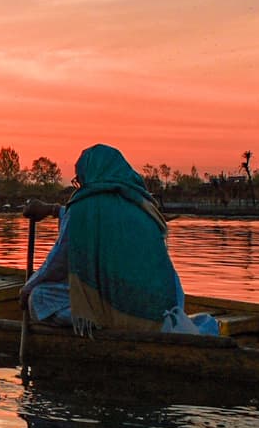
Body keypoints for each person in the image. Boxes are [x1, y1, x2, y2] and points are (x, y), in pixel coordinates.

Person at [20, 143, 217, 336]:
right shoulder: (143, 204)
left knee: (39, 298)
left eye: (80, 179)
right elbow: (103, 219)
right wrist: (53, 210)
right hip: (164, 307)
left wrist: (27, 288)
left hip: (118, 307)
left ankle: (102, 322)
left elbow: (58, 263)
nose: (79, 184)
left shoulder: (83, 208)